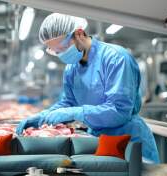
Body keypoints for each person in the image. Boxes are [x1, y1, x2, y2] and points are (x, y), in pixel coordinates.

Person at [16, 13, 159, 163]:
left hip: (128, 142)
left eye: (63, 48)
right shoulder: (71, 68)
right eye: (56, 52)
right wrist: (43, 117)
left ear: (79, 34)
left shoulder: (116, 58)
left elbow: (119, 111)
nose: (62, 54)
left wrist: (77, 112)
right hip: (97, 141)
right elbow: (68, 103)